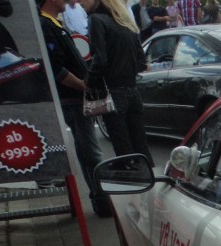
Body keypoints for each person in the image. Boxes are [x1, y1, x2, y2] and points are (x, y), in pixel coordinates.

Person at [38, 0, 108, 215]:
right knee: (91, 152)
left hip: (76, 98)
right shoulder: (46, 25)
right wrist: (83, 85)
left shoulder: (54, 23)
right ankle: (103, 200)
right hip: (72, 99)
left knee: (87, 150)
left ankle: (100, 199)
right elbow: (55, 68)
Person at [82, 0, 153, 165]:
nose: (78, 1)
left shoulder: (96, 19)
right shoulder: (125, 22)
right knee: (141, 146)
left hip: (113, 91)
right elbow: (141, 62)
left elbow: (100, 59)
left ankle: (132, 176)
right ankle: (148, 176)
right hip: (133, 91)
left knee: (123, 150)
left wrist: (89, 81)